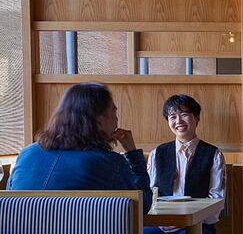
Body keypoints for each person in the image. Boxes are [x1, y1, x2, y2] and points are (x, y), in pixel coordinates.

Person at [8, 83, 152, 213]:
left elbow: (10, 200)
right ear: (98, 119)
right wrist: (133, 153)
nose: (116, 120)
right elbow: (140, 207)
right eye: (114, 111)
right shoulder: (108, 163)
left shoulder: (27, 154)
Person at [143, 94, 225, 234]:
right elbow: (150, 194)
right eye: (172, 116)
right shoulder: (157, 153)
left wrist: (186, 221)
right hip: (162, 224)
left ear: (196, 118)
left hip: (200, 226)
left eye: (184, 114)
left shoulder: (213, 154)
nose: (178, 121)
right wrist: (163, 221)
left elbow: (216, 200)